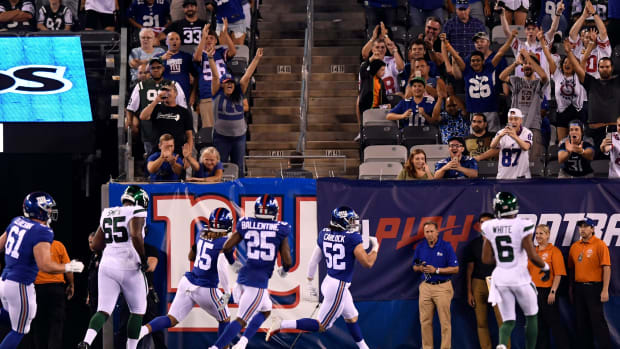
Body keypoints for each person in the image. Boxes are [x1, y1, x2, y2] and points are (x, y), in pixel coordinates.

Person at [266, 206, 379, 349]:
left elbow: (314, 260)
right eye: (350, 221)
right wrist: (375, 247)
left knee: (351, 317)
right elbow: (368, 263)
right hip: (339, 287)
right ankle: (281, 323)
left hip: (329, 282)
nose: (353, 223)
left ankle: (364, 348)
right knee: (322, 325)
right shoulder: (352, 238)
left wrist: (309, 281)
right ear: (341, 222)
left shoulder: (324, 234)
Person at [207, 194, 292, 349]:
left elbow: (226, 247)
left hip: (244, 278)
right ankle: (216, 347)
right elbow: (287, 260)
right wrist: (284, 270)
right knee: (241, 319)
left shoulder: (247, 223)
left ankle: (242, 343)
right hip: (257, 282)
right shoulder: (280, 228)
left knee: (266, 309)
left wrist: (233, 264)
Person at [0, 192, 84, 349]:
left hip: (4, 281)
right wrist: (69, 267)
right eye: (49, 208)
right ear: (40, 210)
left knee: (18, 319)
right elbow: (45, 265)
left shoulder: (16, 221)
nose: (51, 211)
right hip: (20, 284)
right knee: (19, 330)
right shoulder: (42, 231)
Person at [138, 208, 234, 342]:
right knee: (225, 319)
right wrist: (227, 291)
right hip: (207, 288)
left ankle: (142, 330)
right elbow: (222, 265)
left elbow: (192, 256)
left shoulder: (202, 232)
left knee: (171, 319)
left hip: (188, 282)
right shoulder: (225, 243)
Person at [77, 185, 150, 349]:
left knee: (103, 309)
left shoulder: (107, 212)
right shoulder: (136, 211)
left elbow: (95, 244)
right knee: (138, 310)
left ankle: (86, 341)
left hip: (107, 264)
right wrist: (143, 259)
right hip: (129, 264)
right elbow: (135, 235)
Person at [480, 192, 551, 349]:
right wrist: (545, 267)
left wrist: (501, 261)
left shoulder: (489, 226)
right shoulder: (522, 225)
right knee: (531, 316)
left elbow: (485, 259)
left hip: (500, 279)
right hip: (520, 278)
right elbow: (532, 255)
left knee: (508, 320)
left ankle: (502, 345)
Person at [442, 30, 515, 132]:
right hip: (474, 111)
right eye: (473, 61)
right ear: (470, 62)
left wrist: (511, 38)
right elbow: (457, 57)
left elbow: (500, 53)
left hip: (491, 110)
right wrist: (446, 43)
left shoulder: (489, 68)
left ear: (483, 61)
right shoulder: (467, 71)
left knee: (493, 138)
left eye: (478, 60)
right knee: (475, 140)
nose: (475, 63)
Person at [208, 47, 263, 178]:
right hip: (221, 137)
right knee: (220, 166)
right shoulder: (217, 94)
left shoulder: (239, 93)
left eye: (231, 82)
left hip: (239, 137)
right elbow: (216, 76)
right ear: (222, 85)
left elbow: (247, 75)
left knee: (239, 166)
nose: (229, 85)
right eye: (226, 83)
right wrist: (210, 58)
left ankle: (240, 192)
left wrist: (256, 59)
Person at [126, 57, 187, 156]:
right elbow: (131, 108)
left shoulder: (173, 85)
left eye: (158, 67)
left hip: (170, 127)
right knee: (151, 159)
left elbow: (183, 108)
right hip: (149, 129)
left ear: (163, 68)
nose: (155, 70)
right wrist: (130, 123)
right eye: (153, 68)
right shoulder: (141, 86)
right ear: (149, 69)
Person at [565, 46, 620, 155]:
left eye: (607, 67)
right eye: (602, 67)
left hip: (614, 131)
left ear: (612, 68)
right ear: (598, 68)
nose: (604, 69)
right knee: (593, 164)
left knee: (614, 165)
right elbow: (577, 68)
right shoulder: (591, 82)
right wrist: (568, 52)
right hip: (594, 132)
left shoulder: (618, 82)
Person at [412, 221, 459, 349]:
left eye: (432, 231)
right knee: (425, 321)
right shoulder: (420, 247)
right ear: (424, 234)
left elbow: (455, 268)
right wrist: (420, 268)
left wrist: (436, 270)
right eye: (427, 232)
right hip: (426, 286)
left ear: (437, 232)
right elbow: (414, 266)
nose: (429, 234)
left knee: (445, 322)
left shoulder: (446, 246)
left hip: (443, 287)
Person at [567, 218, 612, 349]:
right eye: (580, 227)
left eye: (586, 226)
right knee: (581, 323)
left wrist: (605, 289)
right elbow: (571, 268)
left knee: (597, 322)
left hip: (594, 288)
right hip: (578, 289)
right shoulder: (575, 247)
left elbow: (607, 268)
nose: (582, 229)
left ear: (592, 229)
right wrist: (571, 288)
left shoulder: (600, 244)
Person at [526, 224, 571, 349]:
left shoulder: (554, 251)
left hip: (547, 293)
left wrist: (553, 291)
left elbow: (558, 274)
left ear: (548, 235)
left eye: (541, 233)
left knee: (555, 324)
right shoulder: (532, 252)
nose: (538, 236)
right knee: (539, 326)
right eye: (537, 233)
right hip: (533, 293)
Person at [464, 213, 504, 349]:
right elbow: (469, 270)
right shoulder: (474, 244)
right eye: (482, 222)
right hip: (478, 284)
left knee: (503, 322)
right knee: (481, 323)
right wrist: (469, 292)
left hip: (497, 284)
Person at [500, 50, 548, 163]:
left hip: (533, 128)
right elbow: (502, 77)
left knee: (532, 163)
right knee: (514, 163)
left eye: (530, 63)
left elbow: (544, 76)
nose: (527, 65)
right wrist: (516, 63)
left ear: (536, 67)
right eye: (525, 63)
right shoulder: (516, 81)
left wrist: (528, 56)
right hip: (514, 128)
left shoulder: (539, 83)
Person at [30, 240, 74, 349]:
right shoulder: (58, 245)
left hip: (37, 290)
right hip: (55, 290)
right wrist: (71, 284)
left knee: (38, 324)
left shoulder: (32, 246)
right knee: (56, 325)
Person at [193, 22, 237, 129]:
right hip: (207, 95)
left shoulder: (221, 52)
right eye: (206, 38)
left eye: (211, 38)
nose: (208, 40)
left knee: (226, 129)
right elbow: (196, 58)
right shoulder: (200, 54)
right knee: (209, 129)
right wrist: (203, 37)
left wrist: (225, 34)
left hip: (224, 95)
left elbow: (233, 52)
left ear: (216, 41)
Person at [140, 81, 194, 157]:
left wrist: (188, 155)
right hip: (158, 151)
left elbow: (189, 136)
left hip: (177, 152)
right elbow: (143, 116)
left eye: (169, 90)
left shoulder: (184, 111)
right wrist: (156, 101)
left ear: (176, 93)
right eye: (164, 91)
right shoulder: (156, 108)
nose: (166, 93)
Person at [549, 53, 587, 142]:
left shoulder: (579, 75)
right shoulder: (557, 75)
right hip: (562, 113)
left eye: (570, 63)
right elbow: (549, 59)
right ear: (562, 65)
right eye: (565, 62)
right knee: (562, 143)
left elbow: (584, 59)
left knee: (577, 143)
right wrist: (543, 43)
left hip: (577, 112)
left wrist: (590, 44)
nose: (567, 64)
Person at [568, 0, 610, 80]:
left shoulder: (602, 50)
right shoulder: (578, 48)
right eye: (587, 37)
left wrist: (594, 13)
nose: (589, 40)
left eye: (591, 38)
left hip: (597, 85)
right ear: (582, 38)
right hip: (580, 85)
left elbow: (603, 32)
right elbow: (572, 34)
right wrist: (583, 16)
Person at [156, 31, 198, 108]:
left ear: (180, 41)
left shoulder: (187, 57)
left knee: (184, 119)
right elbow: (147, 69)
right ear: (166, 42)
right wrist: (161, 59)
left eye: (177, 39)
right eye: (171, 39)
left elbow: (196, 76)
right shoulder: (159, 57)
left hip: (185, 95)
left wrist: (193, 94)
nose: (174, 41)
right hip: (165, 96)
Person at [360, 23, 405, 95]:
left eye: (382, 47)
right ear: (372, 49)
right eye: (377, 47)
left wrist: (393, 49)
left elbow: (401, 67)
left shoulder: (392, 60)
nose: (380, 49)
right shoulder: (367, 64)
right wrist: (373, 38)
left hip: (391, 99)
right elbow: (364, 55)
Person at [490, 108, 533, 179]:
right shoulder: (501, 132)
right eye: (510, 119)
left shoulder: (527, 132)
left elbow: (526, 147)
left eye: (516, 119)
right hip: (504, 175)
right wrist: (499, 136)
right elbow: (492, 146)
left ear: (521, 120)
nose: (513, 122)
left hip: (521, 176)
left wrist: (515, 136)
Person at [86, 232, 102, 349]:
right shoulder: (93, 257)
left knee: (100, 327)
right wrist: (88, 295)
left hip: (102, 298)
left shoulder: (104, 257)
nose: (91, 245)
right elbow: (91, 277)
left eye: (92, 242)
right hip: (93, 297)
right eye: (89, 243)